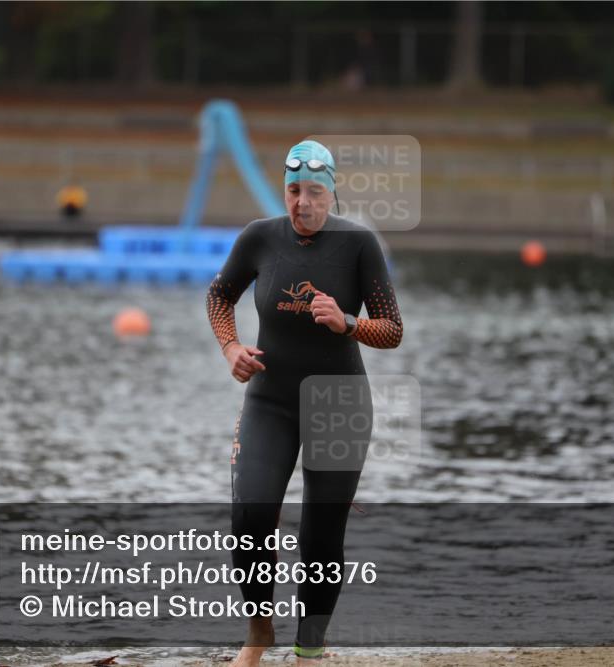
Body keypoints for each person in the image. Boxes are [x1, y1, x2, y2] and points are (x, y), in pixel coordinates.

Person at [205, 139, 403, 665]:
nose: (302, 203)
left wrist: (350, 322)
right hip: (269, 401)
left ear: (332, 192)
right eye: (294, 191)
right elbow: (219, 295)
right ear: (284, 191)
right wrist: (230, 347)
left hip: (339, 403)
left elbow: (393, 330)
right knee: (250, 515)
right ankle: (259, 633)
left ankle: (309, 647)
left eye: (314, 191)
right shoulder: (259, 238)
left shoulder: (358, 244)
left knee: (320, 538)